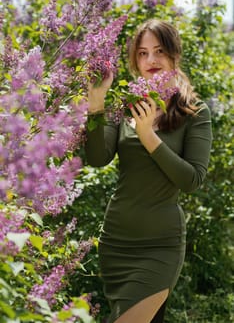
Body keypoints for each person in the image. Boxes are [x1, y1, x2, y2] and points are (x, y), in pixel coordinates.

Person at [85, 19, 212, 323]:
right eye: (142, 53)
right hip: (116, 241)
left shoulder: (195, 111)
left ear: (173, 54)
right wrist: (96, 104)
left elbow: (192, 179)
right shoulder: (125, 104)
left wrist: (148, 136)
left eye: (159, 51)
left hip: (160, 247)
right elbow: (97, 158)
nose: (151, 61)